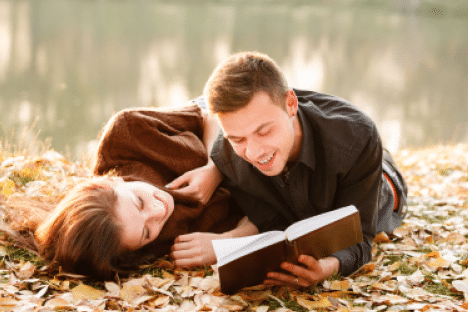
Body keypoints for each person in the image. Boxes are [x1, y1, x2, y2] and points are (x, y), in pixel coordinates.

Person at [168, 51, 407, 288]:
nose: (253, 153)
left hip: (381, 187)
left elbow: (361, 241)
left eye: (264, 131)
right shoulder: (228, 154)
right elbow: (270, 219)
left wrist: (327, 267)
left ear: (291, 104)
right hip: (302, 199)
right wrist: (214, 168)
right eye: (238, 139)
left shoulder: (357, 137)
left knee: (377, 210)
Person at [1, 105, 258, 280]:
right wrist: (229, 241)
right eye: (146, 232)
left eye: (139, 202)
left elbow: (212, 113)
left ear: (107, 184)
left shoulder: (128, 134)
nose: (160, 212)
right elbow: (271, 216)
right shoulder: (163, 242)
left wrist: (214, 168)